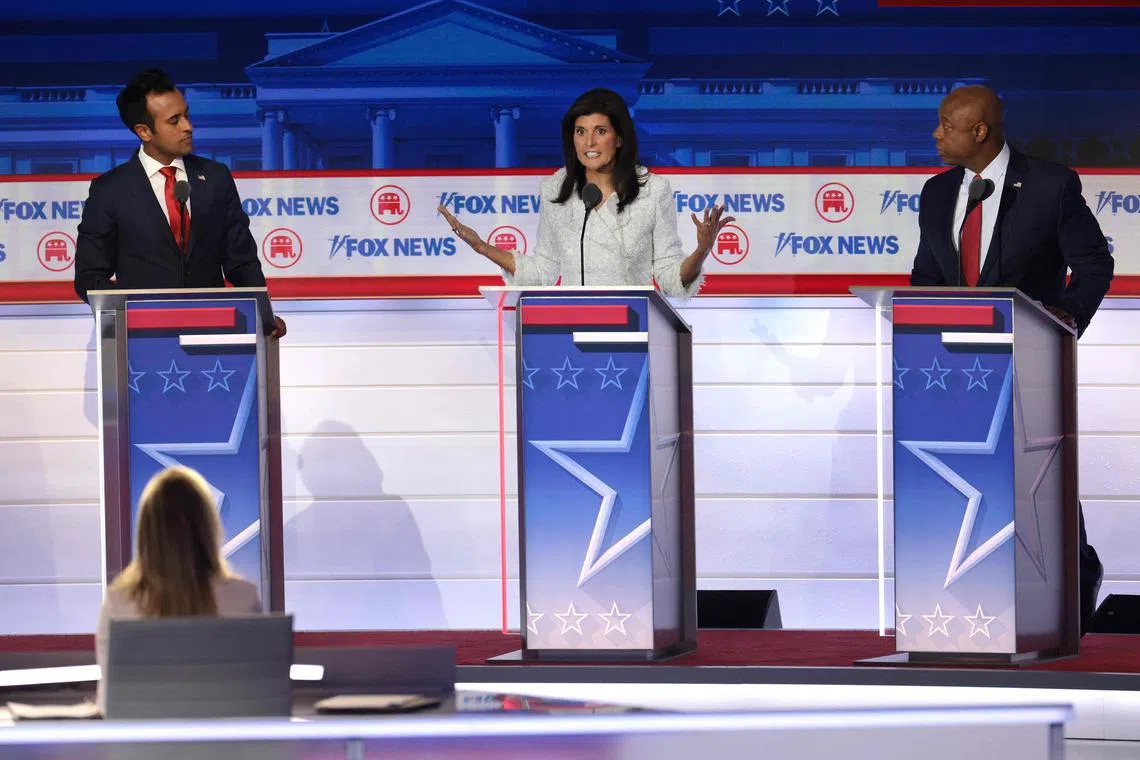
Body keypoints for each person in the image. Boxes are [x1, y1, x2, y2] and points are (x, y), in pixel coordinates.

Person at [910, 84, 1114, 634]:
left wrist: (1065, 320)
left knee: (1039, 483)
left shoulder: (1051, 185)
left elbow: (1094, 264)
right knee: (965, 485)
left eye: (946, 124)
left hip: (1029, 361)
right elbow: (926, 277)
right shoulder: (936, 193)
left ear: (980, 131)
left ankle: (1071, 591)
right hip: (953, 369)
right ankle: (969, 605)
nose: (936, 133)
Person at [438, 88, 733, 296]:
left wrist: (701, 251)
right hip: (571, 327)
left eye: (600, 131)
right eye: (580, 131)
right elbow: (543, 271)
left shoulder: (653, 191)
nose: (589, 142)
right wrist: (482, 248)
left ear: (619, 138)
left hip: (632, 326)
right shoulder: (556, 190)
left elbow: (669, 278)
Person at [74, 68, 285, 338]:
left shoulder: (216, 177)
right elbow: (90, 276)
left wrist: (264, 316)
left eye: (186, 115)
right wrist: (131, 313)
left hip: (215, 332)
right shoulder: (110, 190)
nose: (188, 126)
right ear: (144, 131)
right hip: (144, 338)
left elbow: (241, 261)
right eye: (174, 121)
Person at [95, 466, 262, 711]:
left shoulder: (119, 602)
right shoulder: (243, 598)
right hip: (222, 735)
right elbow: (255, 697)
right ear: (208, 526)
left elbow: (110, 704)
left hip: (143, 735)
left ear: (146, 531)